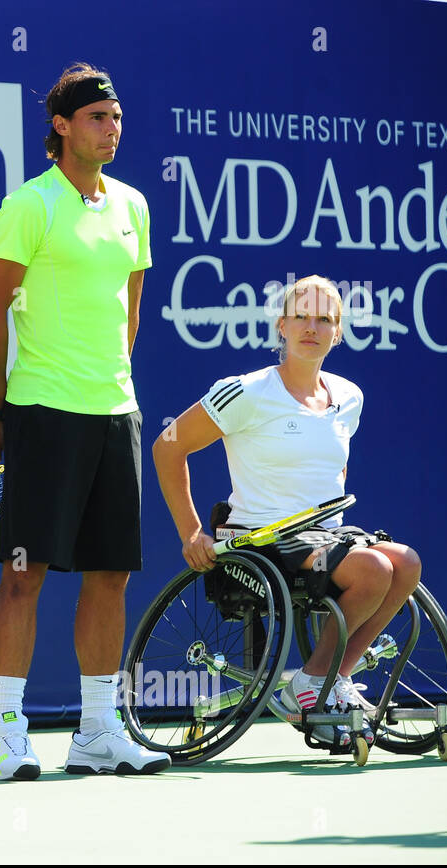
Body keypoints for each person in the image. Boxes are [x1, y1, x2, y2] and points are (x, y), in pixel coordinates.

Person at [0, 64, 170, 778]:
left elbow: (131, 310)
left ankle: (95, 731)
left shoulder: (134, 206)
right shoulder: (30, 205)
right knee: (25, 574)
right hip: (42, 411)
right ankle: (7, 734)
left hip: (116, 413)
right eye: (97, 118)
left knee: (111, 574)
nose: (111, 129)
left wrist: (117, 387)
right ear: (61, 126)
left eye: (116, 118)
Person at [152, 274, 422, 743]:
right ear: (282, 325)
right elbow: (166, 447)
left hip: (327, 536)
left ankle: (333, 676)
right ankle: (311, 683)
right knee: (376, 569)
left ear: (338, 332)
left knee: (407, 563)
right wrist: (192, 532)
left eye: (324, 319)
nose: (311, 328)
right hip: (263, 541)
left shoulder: (349, 396)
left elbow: (328, 472)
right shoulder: (245, 392)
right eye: (301, 317)